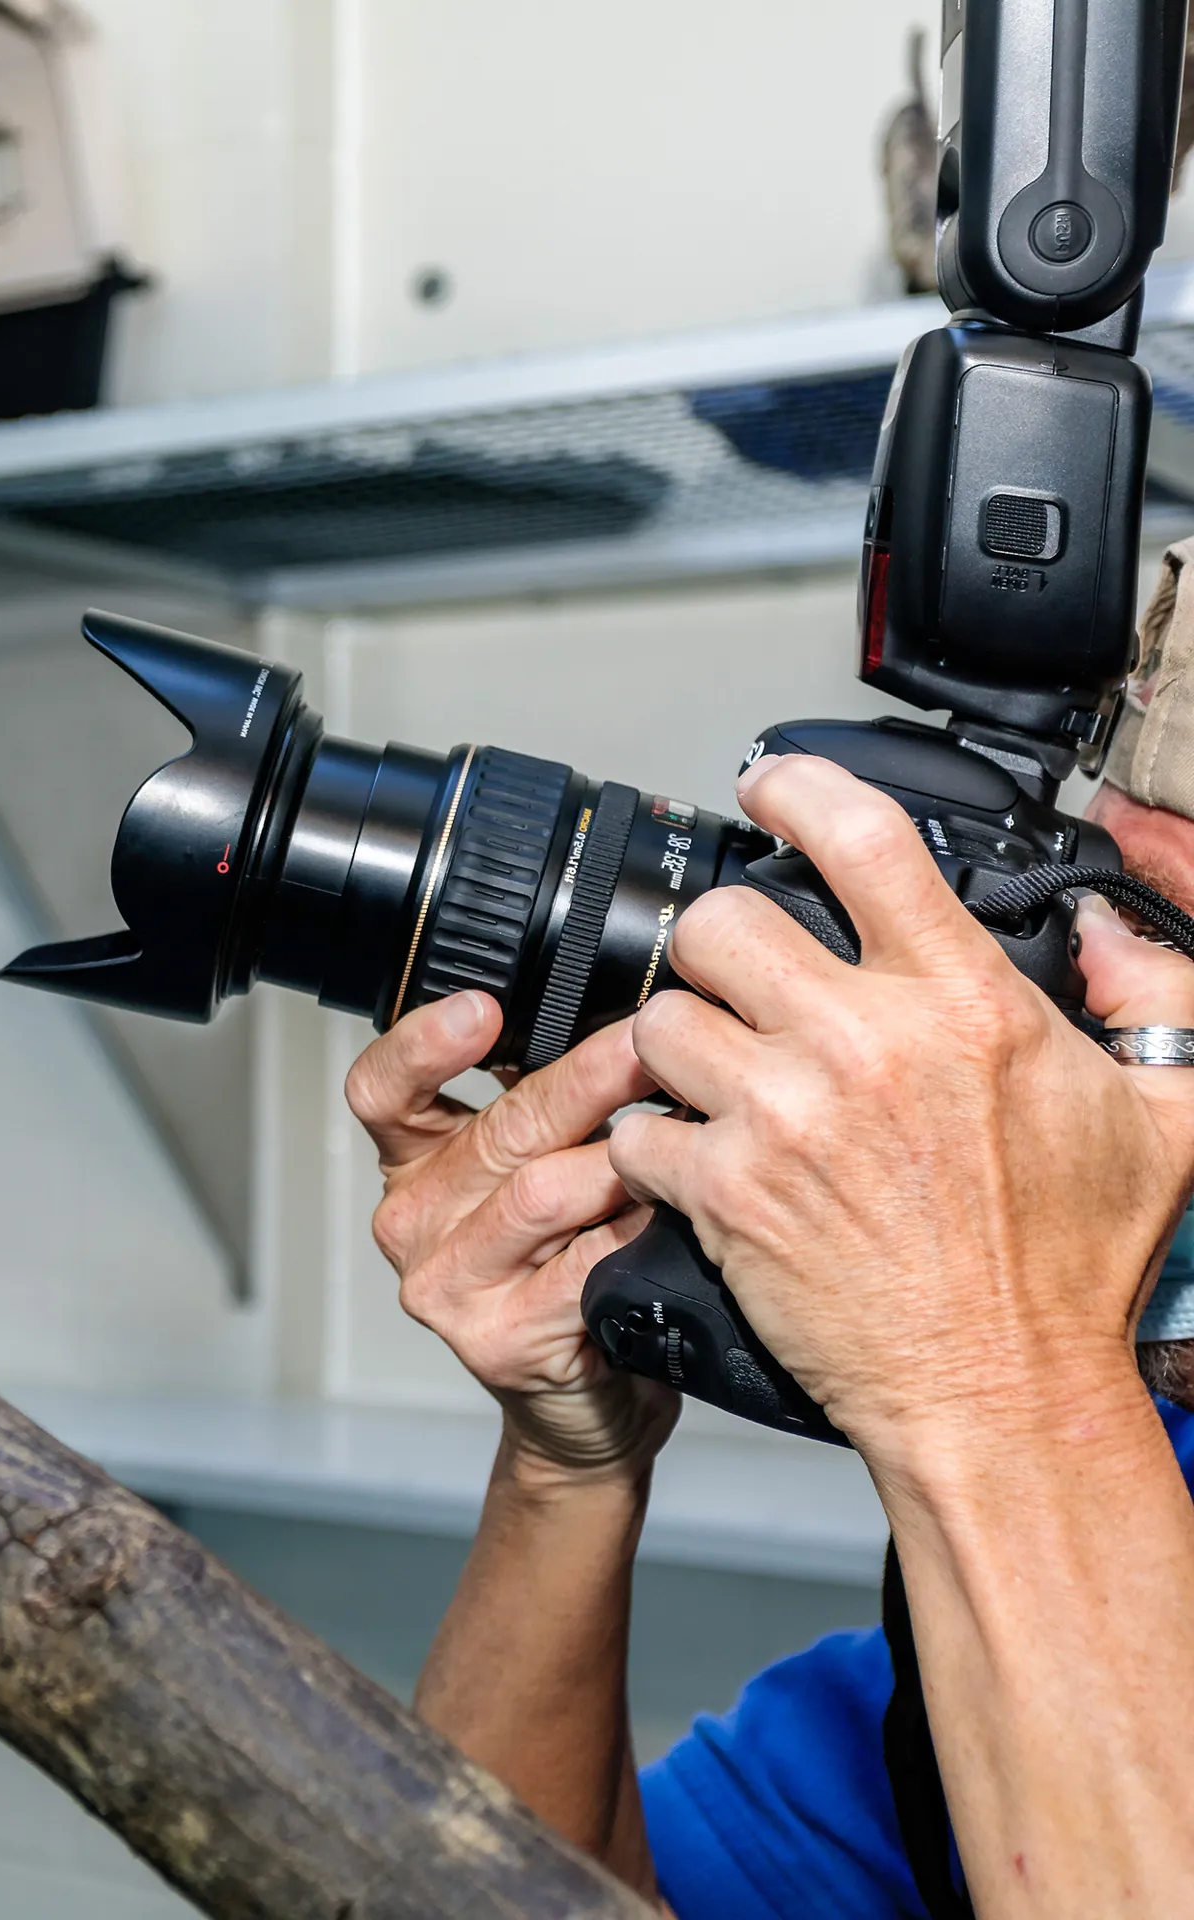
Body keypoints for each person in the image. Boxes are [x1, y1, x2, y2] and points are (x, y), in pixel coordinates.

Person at [346, 705, 1194, 1909]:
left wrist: (996, 1375)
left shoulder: (1044, 1477)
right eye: (1101, 921)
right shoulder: (1107, 1507)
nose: (1086, 1043)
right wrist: (572, 1462)